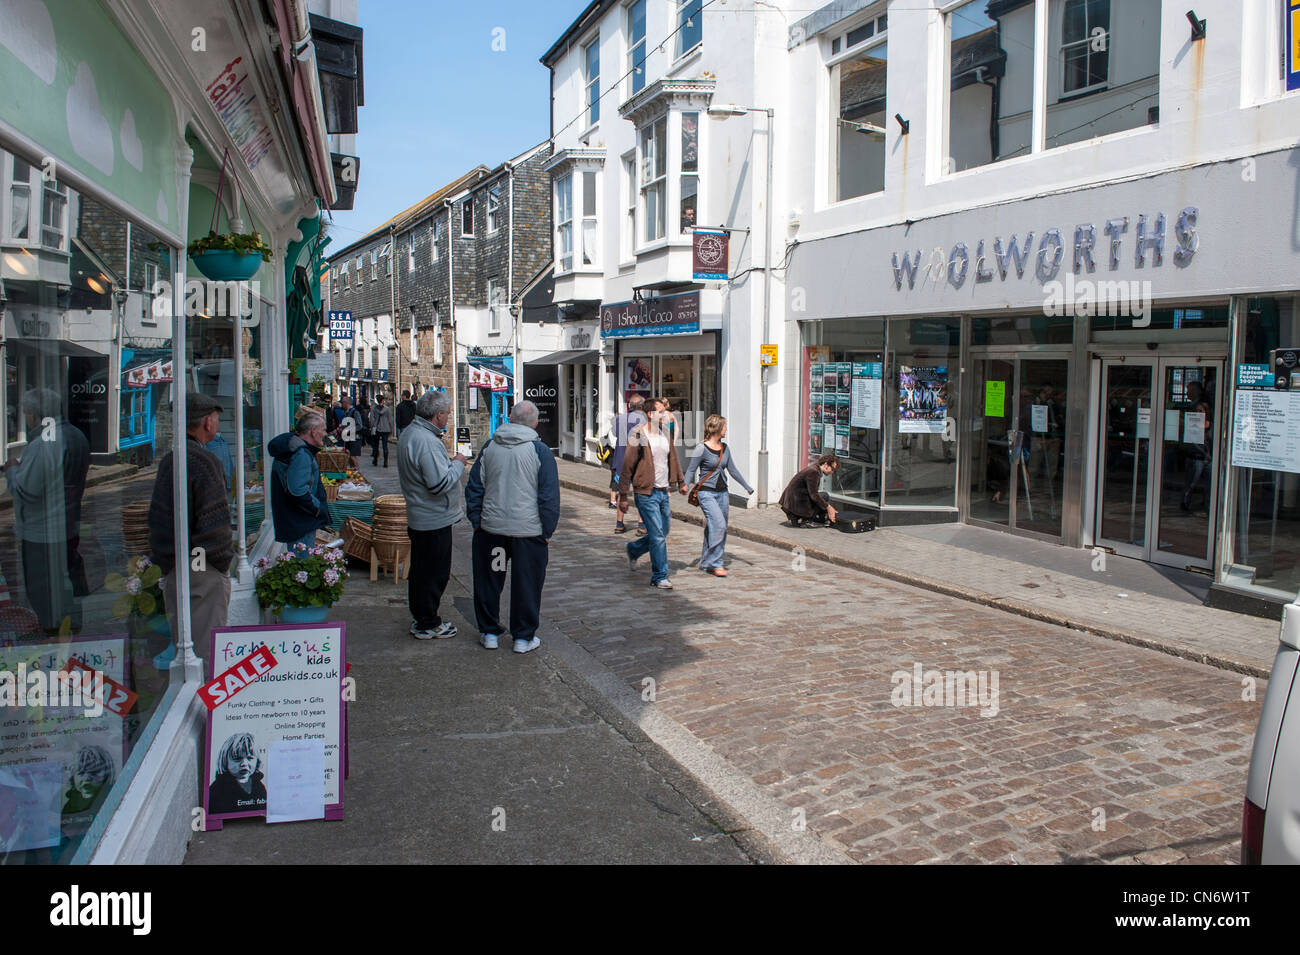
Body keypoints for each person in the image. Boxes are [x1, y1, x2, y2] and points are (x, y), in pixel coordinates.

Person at [464, 401, 559, 654]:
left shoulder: (490, 446)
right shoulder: (540, 451)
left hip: (491, 531)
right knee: (526, 584)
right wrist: (547, 530)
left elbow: (474, 487)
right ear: (535, 423)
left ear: (510, 418)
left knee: (488, 582)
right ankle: (523, 637)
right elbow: (548, 496)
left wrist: (477, 521)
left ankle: (490, 632)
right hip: (528, 533)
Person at [148, 393, 234, 661]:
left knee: (185, 646)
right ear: (207, 423)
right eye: (216, 419)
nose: (216, 425)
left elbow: (158, 519)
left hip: (178, 564)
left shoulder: (171, 459)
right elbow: (214, 526)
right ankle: (204, 701)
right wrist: (219, 564)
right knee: (207, 650)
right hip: (200, 567)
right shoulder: (205, 462)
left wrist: (168, 562)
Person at [5, 388, 89, 633]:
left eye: (26, 413)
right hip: (67, 526)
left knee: (44, 594)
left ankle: (55, 637)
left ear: (33, 414)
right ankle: (69, 631)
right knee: (66, 588)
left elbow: (26, 492)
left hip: (41, 533)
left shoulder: (43, 444)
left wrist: (12, 470)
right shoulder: (76, 435)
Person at [397, 389, 467, 640]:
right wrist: (458, 462)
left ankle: (422, 618)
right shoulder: (425, 441)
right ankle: (428, 622)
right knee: (433, 574)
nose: (448, 417)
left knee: (421, 572)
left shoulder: (410, 433)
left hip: (421, 515)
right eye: (447, 413)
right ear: (438, 415)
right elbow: (438, 485)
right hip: (432, 518)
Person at [619, 398, 686, 590]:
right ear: (650, 414)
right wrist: (623, 496)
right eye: (661, 412)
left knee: (663, 532)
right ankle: (659, 576)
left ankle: (633, 549)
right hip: (645, 492)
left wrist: (681, 482)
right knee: (657, 535)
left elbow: (673, 458)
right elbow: (626, 467)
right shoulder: (638, 434)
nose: (665, 415)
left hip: (663, 492)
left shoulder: (665, 433)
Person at [683, 415, 753, 577]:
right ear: (717, 429)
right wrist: (685, 484)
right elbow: (692, 469)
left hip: (722, 493)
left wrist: (746, 487)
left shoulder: (725, 448)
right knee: (719, 525)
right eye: (724, 427)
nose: (726, 430)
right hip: (706, 492)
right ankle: (716, 563)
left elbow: (733, 470)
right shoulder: (701, 448)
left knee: (714, 528)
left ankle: (706, 562)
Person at [268, 411, 330, 551]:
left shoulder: (296, 449)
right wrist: (317, 508)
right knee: (303, 562)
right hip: (300, 521)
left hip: (296, 518)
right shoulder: (300, 453)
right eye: (323, 429)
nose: (325, 434)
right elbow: (298, 491)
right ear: (313, 431)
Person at [607, 395, 647, 533]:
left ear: (629, 406)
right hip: (637, 461)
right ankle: (641, 525)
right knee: (641, 493)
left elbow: (613, 434)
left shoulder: (619, 419)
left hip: (621, 461)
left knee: (622, 493)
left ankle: (619, 523)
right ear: (642, 406)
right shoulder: (643, 419)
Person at [207, 732, 266, 814]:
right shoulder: (217, 791)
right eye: (237, 758)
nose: (244, 763)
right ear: (225, 761)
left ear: (257, 761)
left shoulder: (259, 787)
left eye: (250, 758)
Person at [779, 452, 840, 527]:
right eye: (833, 469)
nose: (832, 472)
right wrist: (829, 507)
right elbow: (814, 495)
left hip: (792, 501)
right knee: (824, 496)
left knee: (823, 496)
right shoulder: (814, 472)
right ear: (826, 464)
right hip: (795, 504)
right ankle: (806, 520)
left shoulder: (814, 468)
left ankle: (819, 519)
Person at [333, 395, 363, 469]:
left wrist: (348, 430)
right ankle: (353, 473)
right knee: (349, 457)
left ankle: (358, 473)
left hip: (355, 438)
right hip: (348, 438)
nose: (342, 404)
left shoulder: (355, 412)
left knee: (353, 456)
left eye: (343, 402)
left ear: (346, 403)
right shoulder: (346, 412)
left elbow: (359, 426)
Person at [369, 392, 394, 467]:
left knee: (376, 445)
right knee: (385, 446)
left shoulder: (374, 409)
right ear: (382, 401)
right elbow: (390, 420)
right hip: (386, 429)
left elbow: (371, 419)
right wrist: (391, 429)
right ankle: (385, 462)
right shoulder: (387, 409)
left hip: (377, 429)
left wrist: (372, 427)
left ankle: (375, 460)